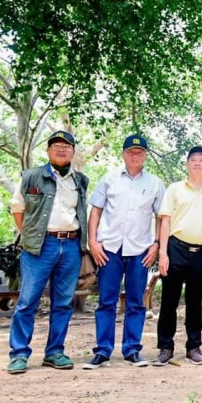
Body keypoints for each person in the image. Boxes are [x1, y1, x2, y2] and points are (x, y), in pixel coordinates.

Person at [6, 131, 90, 374]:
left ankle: (54, 352)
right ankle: (19, 354)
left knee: (63, 302)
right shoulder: (31, 176)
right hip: (40, 247)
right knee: (27, 301)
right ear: (48, 150)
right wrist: (30, 236)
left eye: (66, 146)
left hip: (71, 245)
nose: (61, 149)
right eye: (56, 145)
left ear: (73, 152)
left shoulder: (80, 180)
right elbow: (17, 208)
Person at [84, 135, 166, 369]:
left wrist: (157, 244)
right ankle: (102, 351)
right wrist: (93, 241)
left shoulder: (155, 184)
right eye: (131, 151)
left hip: (140, 250)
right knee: (106, 301)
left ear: (145, 155)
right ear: (123, 154)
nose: (135, 155)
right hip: (109, 249)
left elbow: (161, 217)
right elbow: (96, 211)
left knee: (136, 302)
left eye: (139, 152)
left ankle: (132, 350)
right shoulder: (109, 179)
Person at [153, 146, 202, 366]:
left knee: (195, 302)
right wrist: (163, 253)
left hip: (200, 252)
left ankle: (194, 347)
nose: (197, 163)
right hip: (175, 249)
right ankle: (165, 347)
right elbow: (165, 221)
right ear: (187, 164)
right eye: (193, 159)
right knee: (169, 301)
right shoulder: (175, 189)